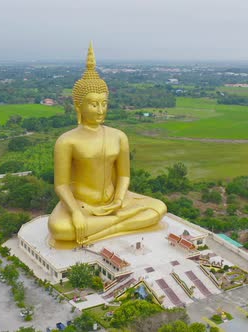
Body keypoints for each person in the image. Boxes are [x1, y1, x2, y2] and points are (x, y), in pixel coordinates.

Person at [48, 43, 166, 245]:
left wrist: (119, 201)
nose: (100, 110)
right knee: (60, 229)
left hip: (116, 202)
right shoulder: (67, 140)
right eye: (94, 104)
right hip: (82, 205)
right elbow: (61, 185)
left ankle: (110, 225)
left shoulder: (118, 136)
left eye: (104, 103)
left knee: (159, 208)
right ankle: (116, 225)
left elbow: (123, 175)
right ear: (79, 105)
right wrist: (76, 212)